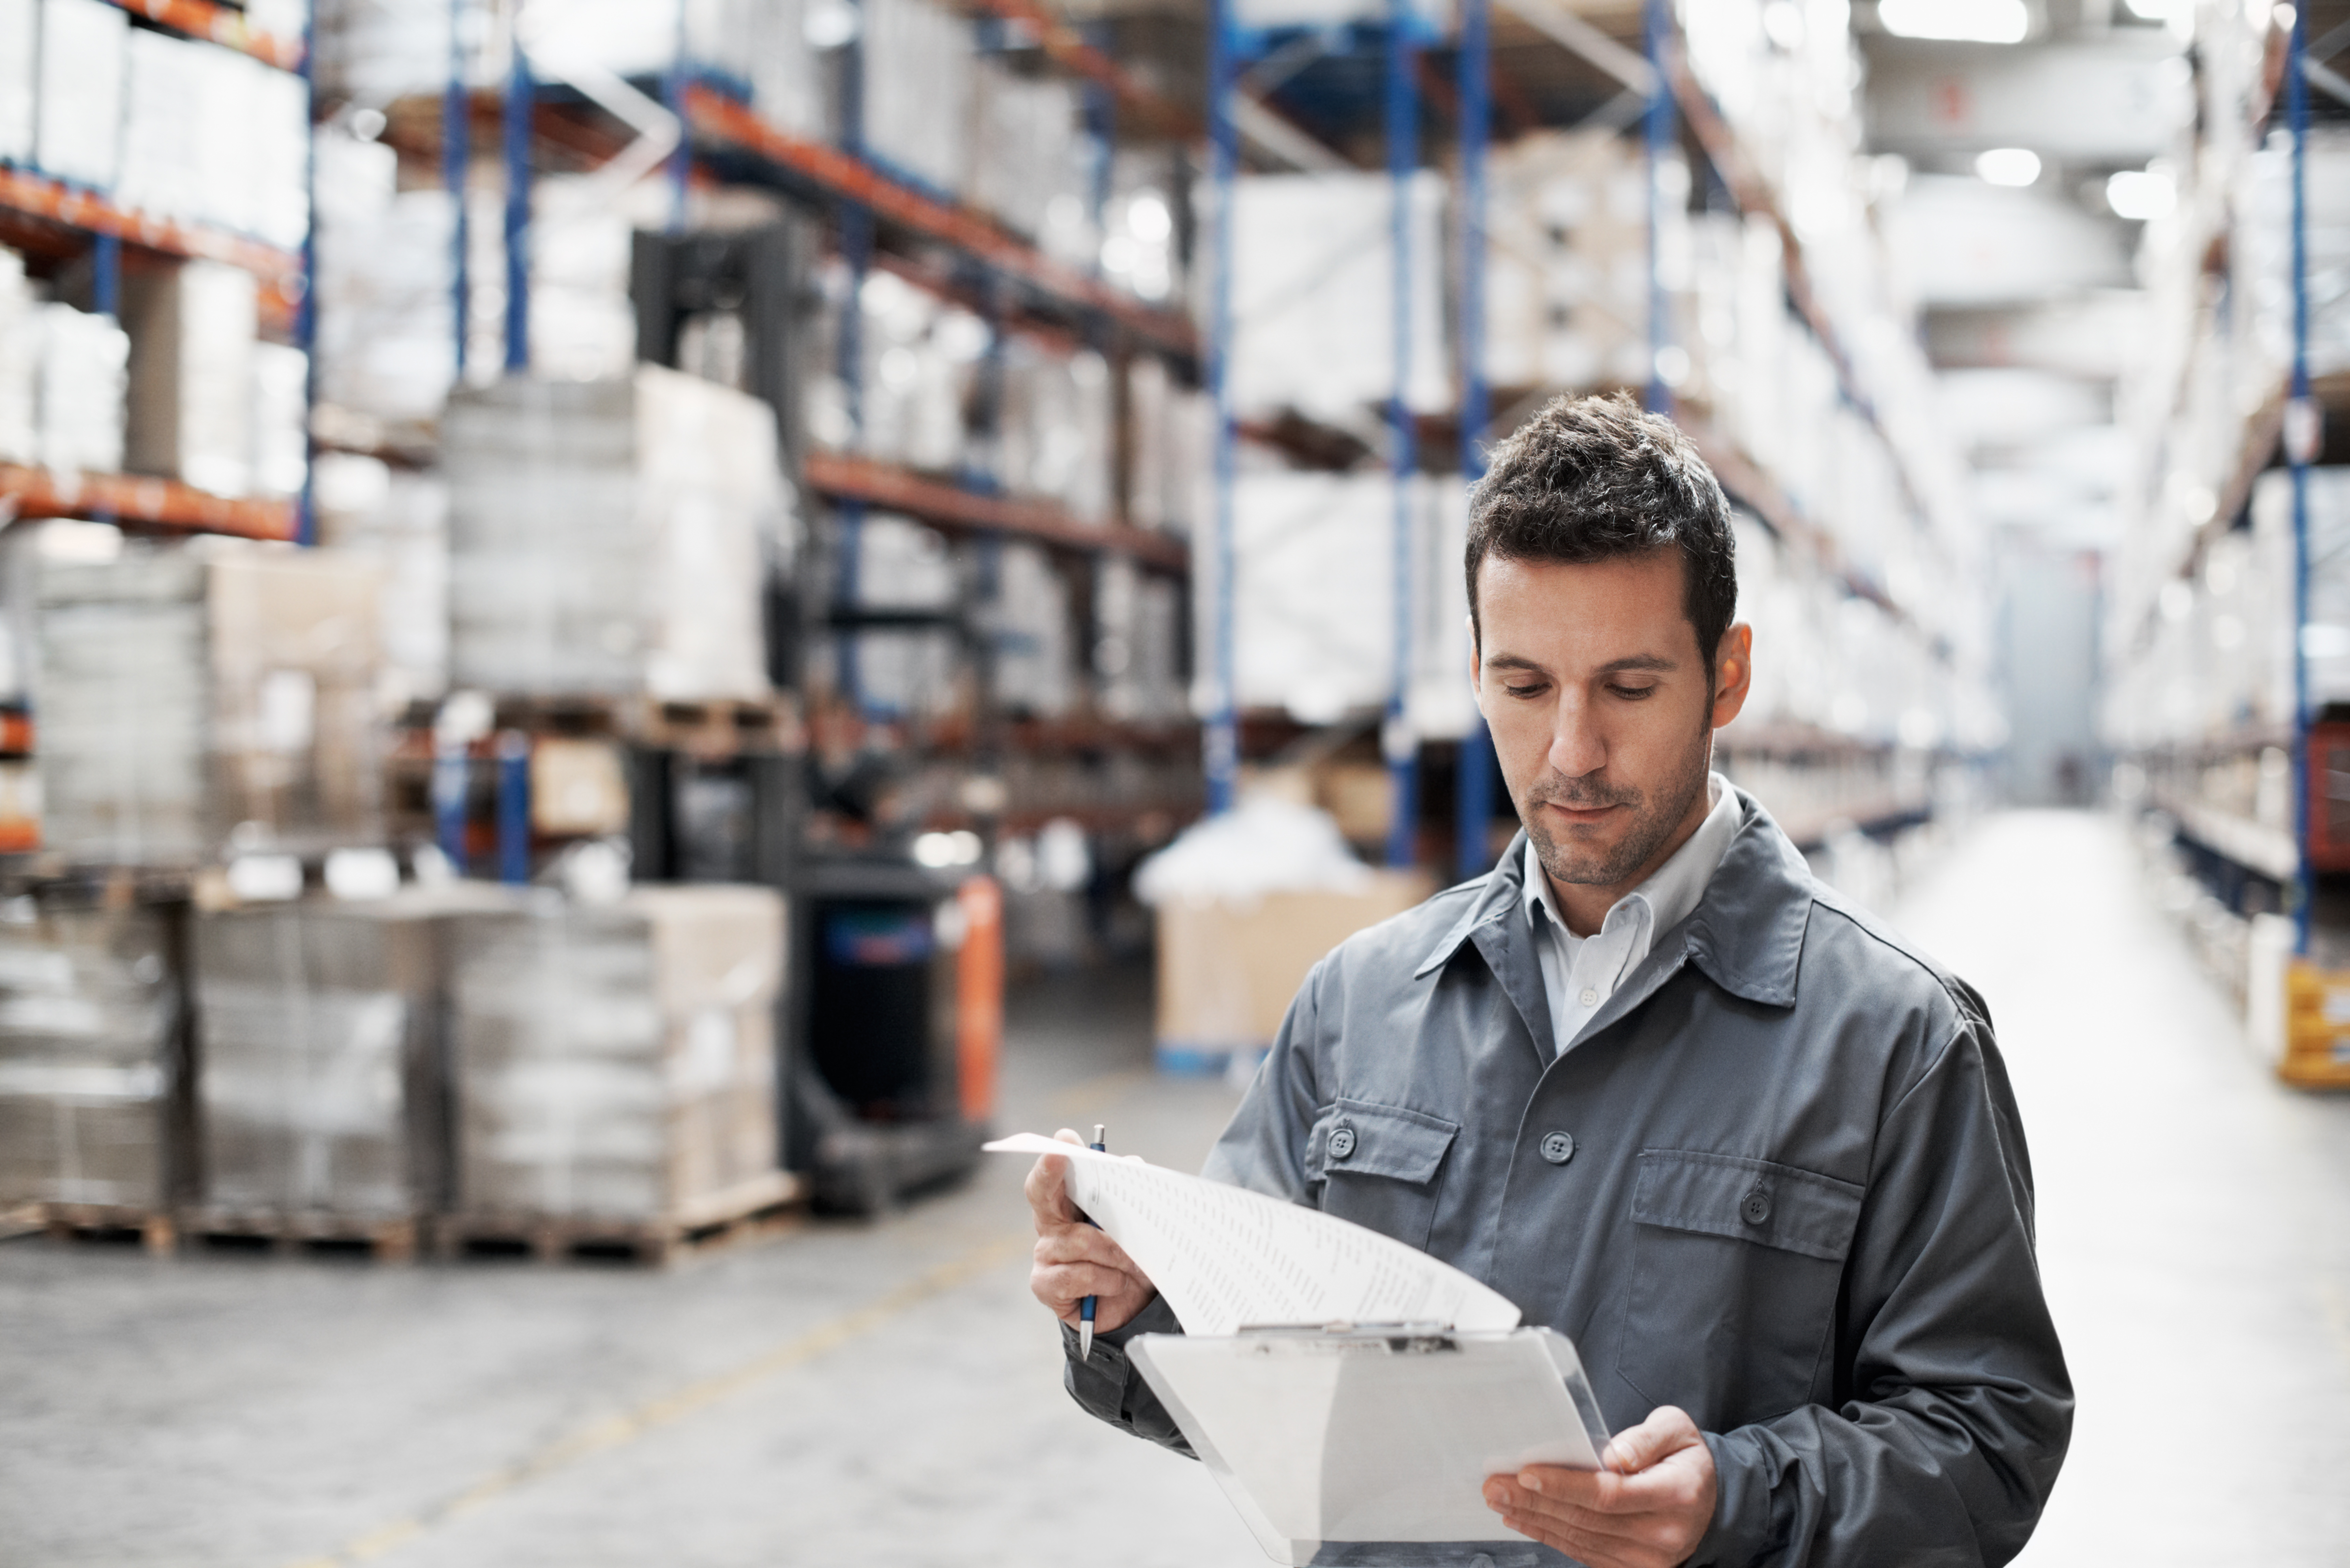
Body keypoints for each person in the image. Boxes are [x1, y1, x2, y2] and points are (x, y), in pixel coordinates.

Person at [1024, 392, 2071, 1568]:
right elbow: (1249, 1374)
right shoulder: (1359, 1006)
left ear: (1727, 679)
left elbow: (1989, 1442)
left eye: (1628, 688)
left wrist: (1737, 1498)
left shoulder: (1898, 1042)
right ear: (1476, 672)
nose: (1571, 750)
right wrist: (1128, 1312)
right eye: (1525, 689)